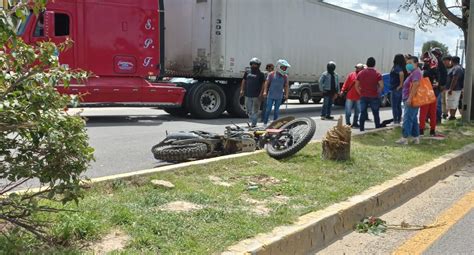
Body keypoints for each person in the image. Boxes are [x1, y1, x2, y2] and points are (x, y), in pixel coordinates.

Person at [396, 56, 422, 145]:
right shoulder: (414, 73)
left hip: (411, 99)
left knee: (407, 118)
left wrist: (410, 98)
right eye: (407, 63)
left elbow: (415, 85)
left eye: (410, 63)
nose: (408, 65)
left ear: (416, 63)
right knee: (413, 119)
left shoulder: (416, 73)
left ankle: (404, 138)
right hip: (410, 99)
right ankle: (416, 137)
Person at [355, 57, 384, 131]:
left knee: (363, 113)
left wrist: (360, 93)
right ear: (374, 64)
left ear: (367, 64)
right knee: (375, 113)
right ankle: (377, 128)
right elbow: (381, 85)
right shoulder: (377, 74)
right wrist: (378, 92)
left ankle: (362, 129)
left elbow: (356, 85)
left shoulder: (361, 73)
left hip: (363, 95)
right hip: (374, 96)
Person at [419, 51, 444, 138]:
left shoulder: (424, 71)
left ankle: (421, 131)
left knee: (423, 113)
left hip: (425, 93)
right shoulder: (436, 70)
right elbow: (437, 82)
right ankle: (432, 130)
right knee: (433, 112)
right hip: (433, 93)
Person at [262, 59, 290, 126]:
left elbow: (286, 86)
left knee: (276, 111)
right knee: (268, 110)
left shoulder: (285, 76)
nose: (284, 69)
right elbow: (267, 83)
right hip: (271, 95)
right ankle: (265, 123)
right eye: (283, 67)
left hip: (279, 96)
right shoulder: (271, 74)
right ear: (278, 66)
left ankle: (275, 124)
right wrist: (265, 91)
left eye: (285, 67)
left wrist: (286, 94)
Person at [240, 58, 265, 127]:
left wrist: (261, 93)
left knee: (255, 111)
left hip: (257, 96)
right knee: (248, 110)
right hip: (248, 94)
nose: (254, 66)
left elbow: (263, 84)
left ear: (258, 65)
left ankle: (254, 124)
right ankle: (253, 120)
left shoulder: (261, 74)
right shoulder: (247, 72)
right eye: (252, 64)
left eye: (255, 64)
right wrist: (242, 90)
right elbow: (243, 81)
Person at [431, 48, 447, 123]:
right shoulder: (431, 63)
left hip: (437, 87)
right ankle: (431, 118)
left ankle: (437, 119)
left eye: (435, 54)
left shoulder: (440, 63)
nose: (434, 55)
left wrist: (442, 85)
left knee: (437, 104)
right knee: (430, 103)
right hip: (431, 86)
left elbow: (444, 75)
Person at [389, 54, 407, 125]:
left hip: (396, 88)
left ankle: (396, 120)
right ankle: (398, 119)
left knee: (394, 105)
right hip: (399, 88)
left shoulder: (397, 67)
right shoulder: (402, 66)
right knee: (398, 105)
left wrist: (400, 84)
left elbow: (401, 74)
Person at [446, 56, 464, 120]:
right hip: (455, 89)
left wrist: (451, 89)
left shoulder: (457, 68)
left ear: (452, 61)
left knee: (452, 102)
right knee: (453, 102)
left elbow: (455, 79)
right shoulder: (458, 68)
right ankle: (452, 115)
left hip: (455, 89)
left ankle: (452, 116)